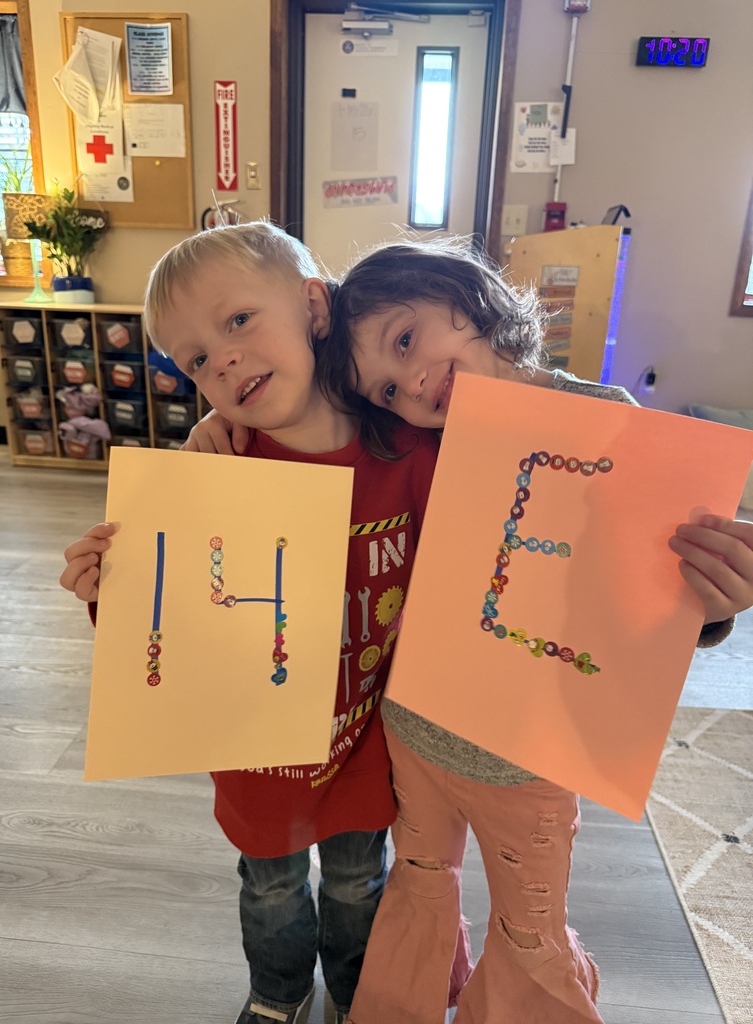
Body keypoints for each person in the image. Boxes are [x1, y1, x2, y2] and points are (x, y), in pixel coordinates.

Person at [186, 236, 753, 1023]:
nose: (411, 380)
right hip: (412, 739)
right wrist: (220, 421)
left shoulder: (608, 425)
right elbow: (312, 431)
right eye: (387, 387)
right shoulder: (413, 439)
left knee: (529, 927)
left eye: (411, 339)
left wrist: (714, 602)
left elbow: (642, 602)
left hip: (531, 754)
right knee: (416, 889)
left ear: (469, 292)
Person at [59, 222, 440, 1024]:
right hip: (254, 755)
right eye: (195, 359)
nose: (221, 359)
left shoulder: (414, 452)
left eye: (237, 321)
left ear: (315, 305)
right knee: (268, 887)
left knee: (356, 884)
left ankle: (355, 998)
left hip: (367, 743)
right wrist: (110, 593)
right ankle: (278, 995)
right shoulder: (210, 474)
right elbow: (169, 629)